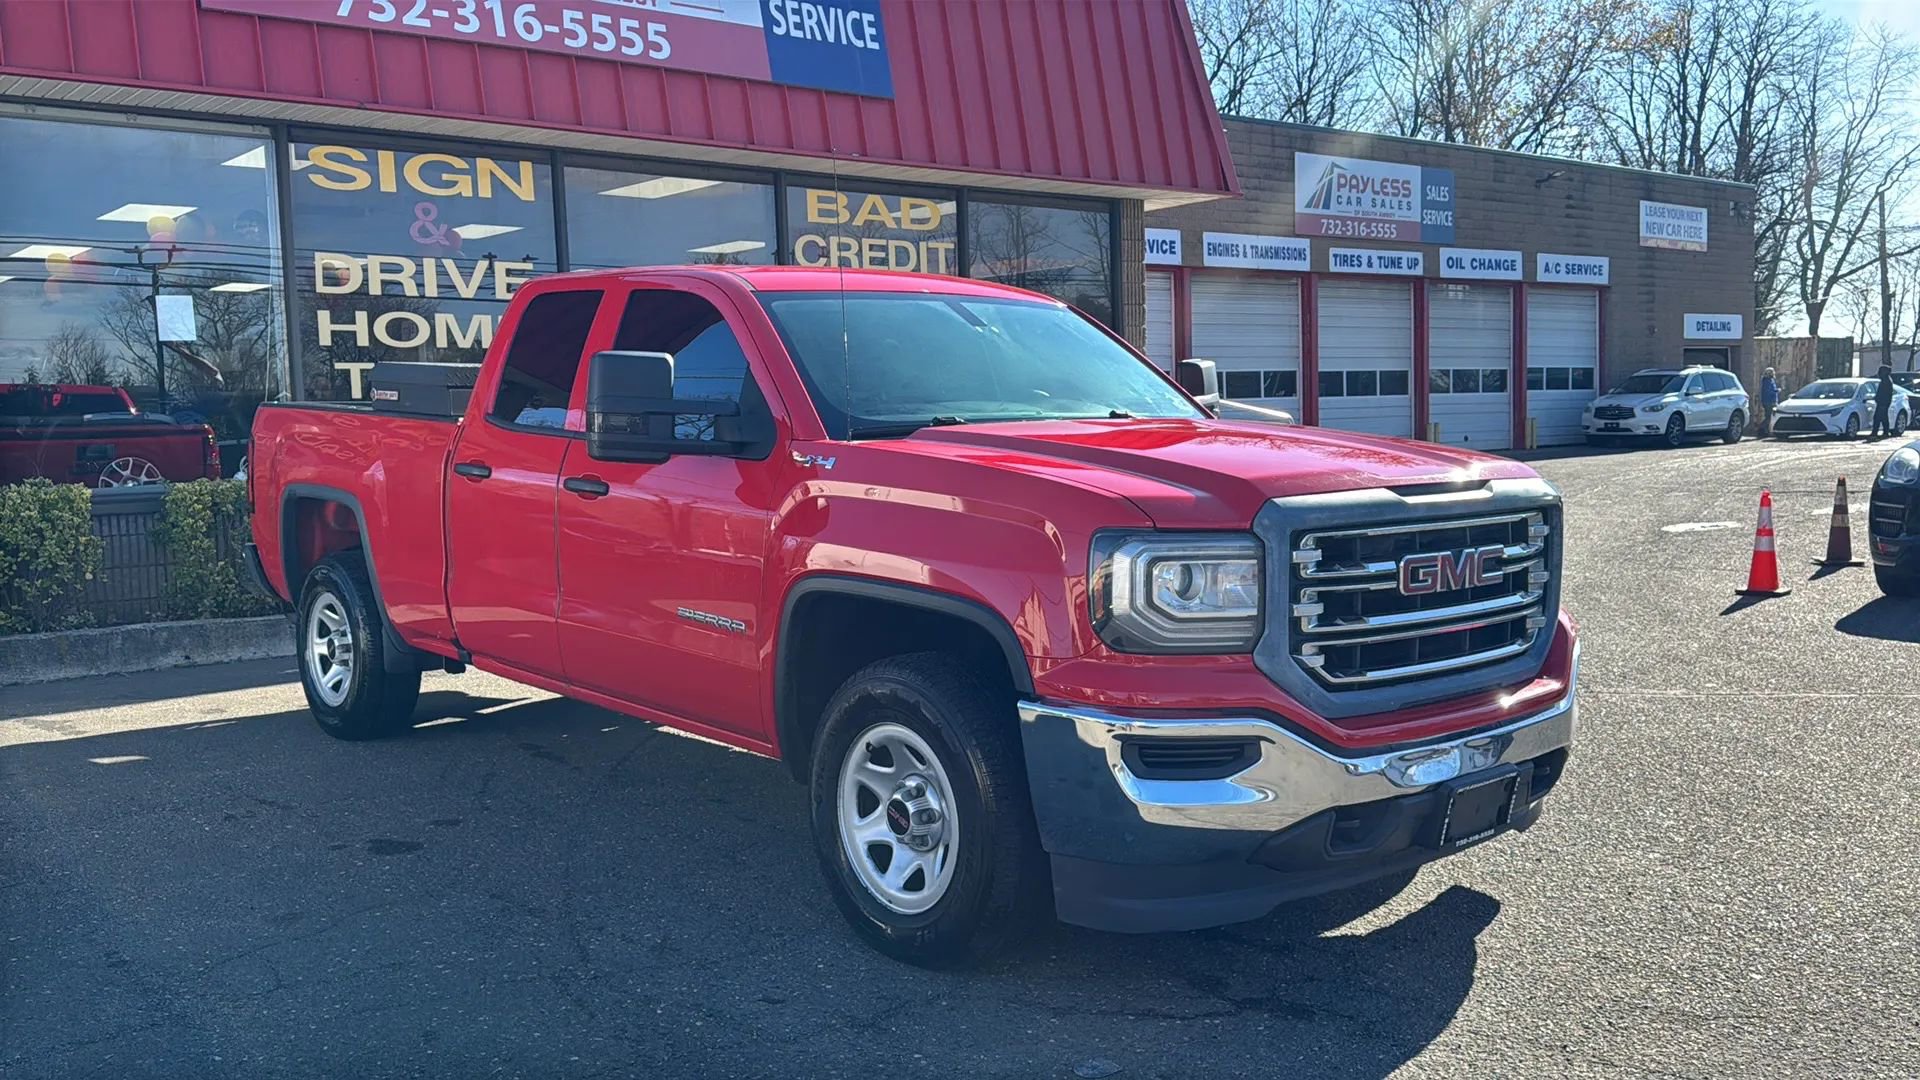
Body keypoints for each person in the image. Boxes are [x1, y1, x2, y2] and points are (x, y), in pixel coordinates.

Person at [1871, 363, 1896, 438]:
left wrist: (1879, 399)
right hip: (1883, 402)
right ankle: (1885, 431)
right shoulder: (1886, 380)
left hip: (1883, 402)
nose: (1879, 373)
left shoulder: (1886, 381)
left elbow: (1884, 393)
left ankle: (1876, 432)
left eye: (1880, 371)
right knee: (1883, 417)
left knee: (1877, 417)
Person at [1759, 366, 1779, 436]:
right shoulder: (1767, 381)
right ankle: (1762, 428)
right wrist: (1776, 391)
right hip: (1768, 401)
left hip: (1771, 400)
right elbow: (1768, 391)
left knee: (1770, 416)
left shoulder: (1771, 380)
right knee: (1769, 416)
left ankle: (1767, 430)